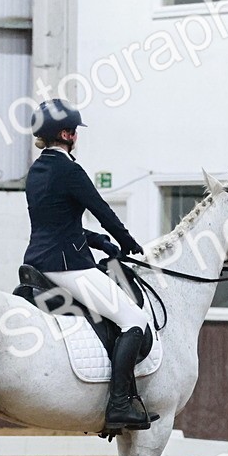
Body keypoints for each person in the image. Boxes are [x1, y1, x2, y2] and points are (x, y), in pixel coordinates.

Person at [23, 99, 157, 432]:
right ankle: (119, 404)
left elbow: (57, 224)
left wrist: (100, 242)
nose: (76, 136)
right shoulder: (69, 170)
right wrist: (128, 242)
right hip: (69, 266)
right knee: (134, 319)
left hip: (38, 262)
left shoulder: (36, 172)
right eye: (74, 132)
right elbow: (102, 210)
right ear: (66, 134)